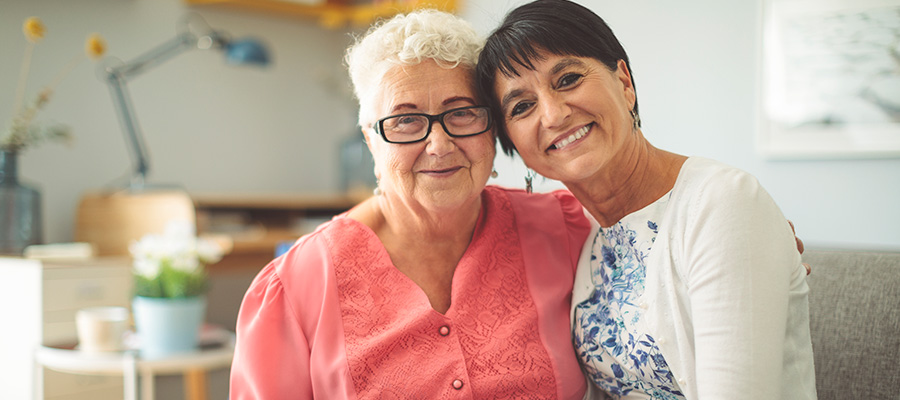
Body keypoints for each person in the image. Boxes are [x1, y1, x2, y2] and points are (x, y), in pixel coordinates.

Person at [229, 10, 592, 399]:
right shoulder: (296, 286)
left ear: (492, 126)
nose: (439, 145)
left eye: (462, 113)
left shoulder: (565, 229)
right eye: (406, 121)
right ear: (371, 140)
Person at [475, 1, 817, 399]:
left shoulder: (723, 204)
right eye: (522, 107)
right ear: (511, 143)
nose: (552, 115)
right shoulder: (581, 233)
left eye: (567, 79)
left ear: (624, 83)